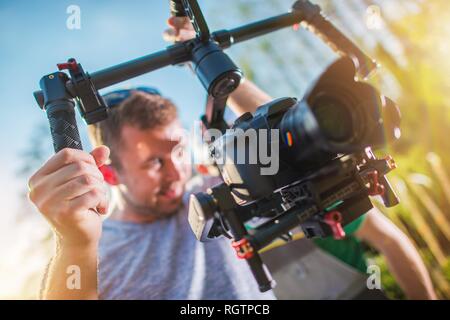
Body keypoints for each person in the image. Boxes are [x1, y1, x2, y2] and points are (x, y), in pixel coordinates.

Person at [27, 17, 436, 300]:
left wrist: (201, 60)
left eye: (178, 152)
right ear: (109, 172)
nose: (177, 172)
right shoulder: (96, 247)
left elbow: (283, 140)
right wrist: (75, 245)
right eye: (154, 162)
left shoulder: (222, 189)